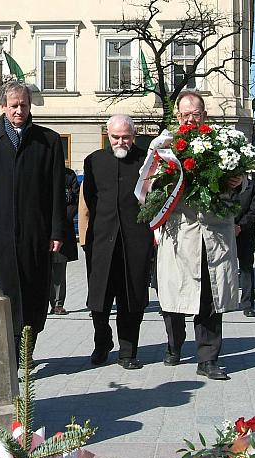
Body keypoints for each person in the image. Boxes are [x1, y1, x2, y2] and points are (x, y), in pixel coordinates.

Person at [0, 81, 65, 354]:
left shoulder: (48, 141)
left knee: (35, 289)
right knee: (4, 290)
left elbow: (57, 191)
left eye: (24, 105)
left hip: (37, 231)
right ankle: (10, 350)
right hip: (0, 231)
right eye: (14, 106)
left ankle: (27, 348)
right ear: (2, 107)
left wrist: (57, 231)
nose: (19, 111)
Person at [157, 91, 239, 380]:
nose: (190, 119)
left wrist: (238, 181)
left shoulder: (222, 144)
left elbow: (241, 184)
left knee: (210, 297)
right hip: (180, 234)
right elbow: (151, 186)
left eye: (196, 114)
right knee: (175, 293)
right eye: (185, 114)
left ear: (204, 115)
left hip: (213, 234)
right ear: (177, 116)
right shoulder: (166, 146)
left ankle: (208, 359)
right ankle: (174, 344)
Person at [83, 115, 153, 370]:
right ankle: (102, 343)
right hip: (101, 240)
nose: (121, 141)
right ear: (107, 135)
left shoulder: (146, 161)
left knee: (131, 299)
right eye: (115, 137)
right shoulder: (94, 161)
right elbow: (90, 199)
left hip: (135, 241)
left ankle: (128, 351)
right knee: (98, 300)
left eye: (126, 137)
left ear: (133, 135)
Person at [49, 168, 80, 316]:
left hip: (62, 230)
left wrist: (61, 220)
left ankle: (57, 303)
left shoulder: (68, 175)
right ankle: (39, 304)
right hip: (40, 228)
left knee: (59, 269)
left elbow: (76, 200)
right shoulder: (39, 170)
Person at [234, 175, 255, 317]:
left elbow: (253, 212)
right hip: (223, 231)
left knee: (246, 268)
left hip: (245, 233)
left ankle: (247, 304)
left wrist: (240, 226)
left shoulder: (251, 187)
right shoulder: (221, 184)